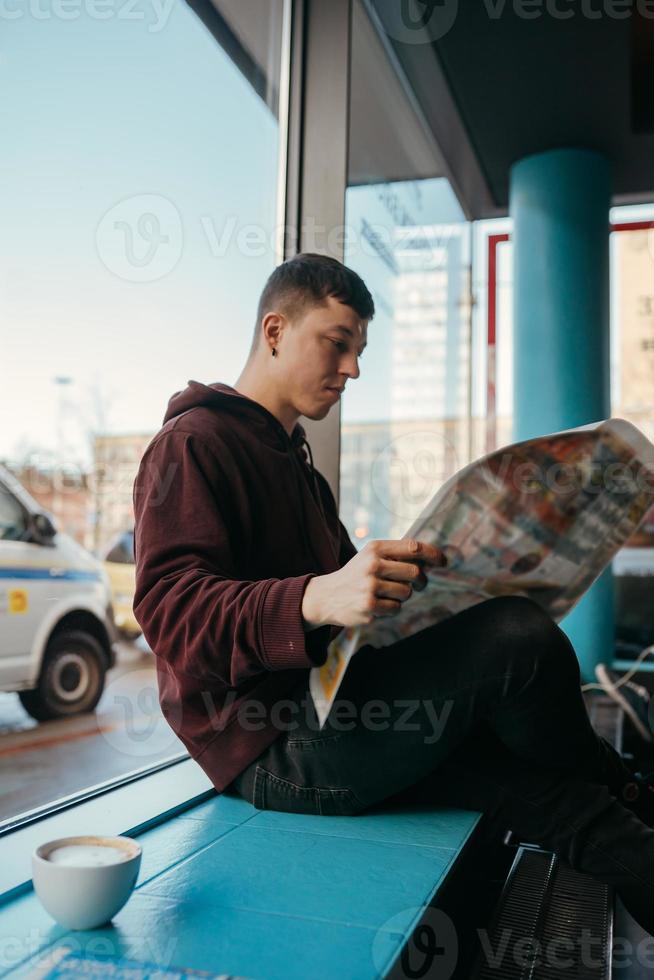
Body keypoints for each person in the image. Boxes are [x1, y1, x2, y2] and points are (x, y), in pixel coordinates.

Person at [133, 252, 654, 935]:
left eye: (360, 351)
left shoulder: (302, 474)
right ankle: (623, 783)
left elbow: (351, 617)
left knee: (548, 794)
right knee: (517, 640)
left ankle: (624, 798)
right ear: (274, 331)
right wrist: (316, 597)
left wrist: (421, 584)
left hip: (341, 710)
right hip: (271, 751)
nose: (352, 368)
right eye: (337, 343)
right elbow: (171, 614)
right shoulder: (191, 445)